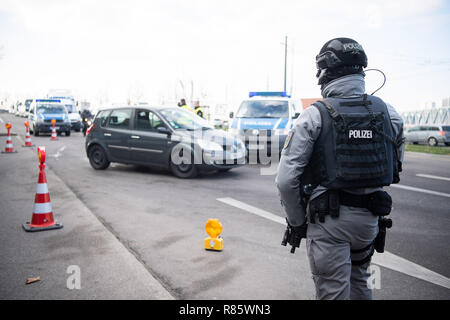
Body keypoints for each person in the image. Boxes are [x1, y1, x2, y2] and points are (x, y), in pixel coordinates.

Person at [276, 37, 404, 300]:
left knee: (333, 292)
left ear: (325, 72)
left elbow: (286, 181)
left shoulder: (314, 115)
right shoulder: (387, 112)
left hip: (329, 222)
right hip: (370, 220)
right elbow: (395, 164)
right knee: (361, 284)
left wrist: (297, 222)